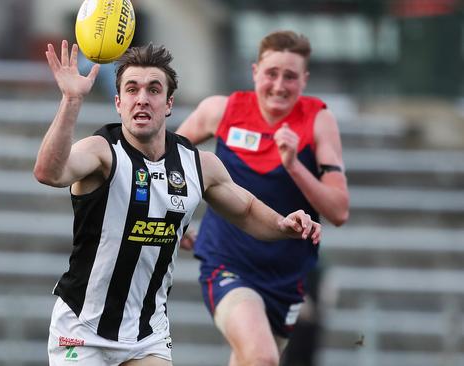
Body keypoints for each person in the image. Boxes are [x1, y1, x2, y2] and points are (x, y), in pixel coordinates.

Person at [34, 40, 321, 366]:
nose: (142, 98)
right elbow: (48, 172)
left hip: (146, 333)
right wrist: (72, 100)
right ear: (118, 102)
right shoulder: (102, 152)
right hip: (82, 329)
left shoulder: (198, 165)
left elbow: (248, 210)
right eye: (132, 89)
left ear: (169, 103)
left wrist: (285, 224)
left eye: (153, 89)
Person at [175, 30, 350, 366]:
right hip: (227, 264)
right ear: (255, 71)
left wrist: (294, 165)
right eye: (271, 74)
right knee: (262, 358)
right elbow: (162, 162)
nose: (279, 85)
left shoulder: (318, 121)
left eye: (290, 76)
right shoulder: (221, 111)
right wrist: (174, 221)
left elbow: (338, 210)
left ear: (305, 79)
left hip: (288, 279)